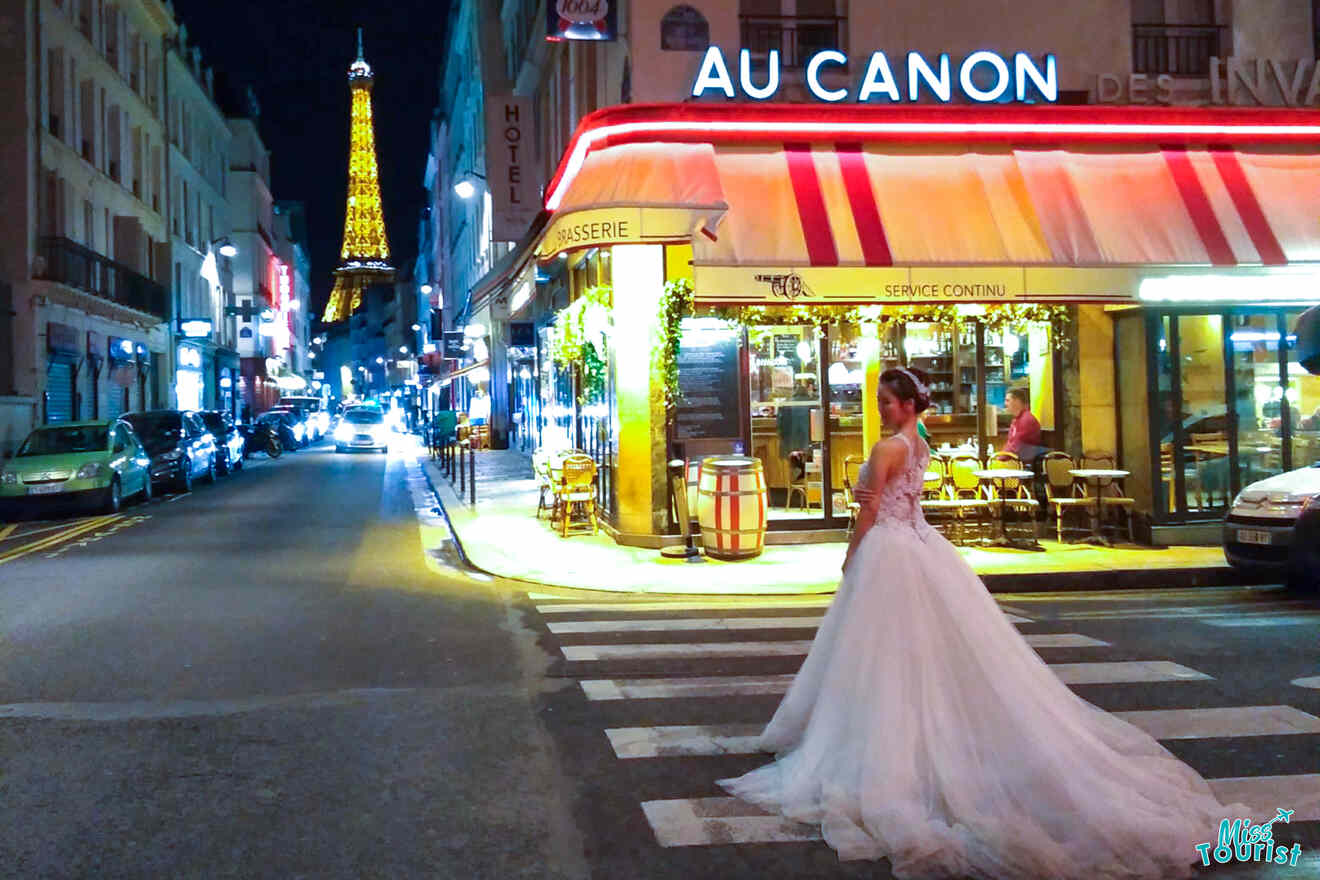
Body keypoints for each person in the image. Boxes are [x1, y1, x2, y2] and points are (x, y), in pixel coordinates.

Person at [717, 366, 1244, 878]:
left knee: (883, 655)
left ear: (906, 405)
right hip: (920, 547)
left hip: (890, 552)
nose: (878, 409)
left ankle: (891, 747)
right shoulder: (919, 443)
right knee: (918, 652)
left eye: (885, 402)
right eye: (878, 401)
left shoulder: (887, 449)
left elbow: (870, 512)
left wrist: (851, 557)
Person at [1004, 386, 1042, 461]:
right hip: (1016, 460)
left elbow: (1016, 446)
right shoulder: (1016, 420)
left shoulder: (1027, 420)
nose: (1005, 404)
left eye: (1008, 400)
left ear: (1017, 401)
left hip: (1023, 464)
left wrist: (999, 459)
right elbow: (1010, 443)